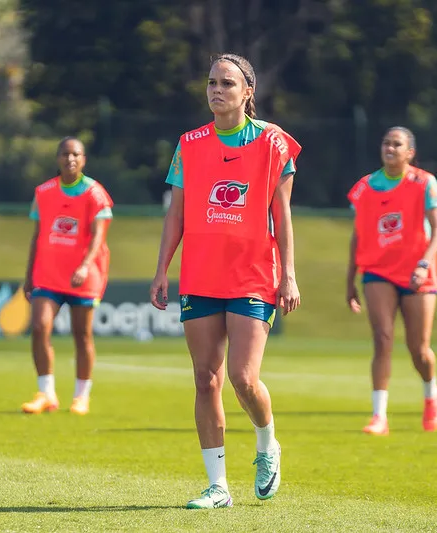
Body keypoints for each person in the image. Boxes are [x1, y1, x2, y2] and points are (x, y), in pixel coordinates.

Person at [150, 53, 301, 509]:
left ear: (248, 92)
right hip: (200, 273)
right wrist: (162, 268)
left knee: (242, 377)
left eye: (228, 84)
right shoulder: (189, 143)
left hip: (254, 274)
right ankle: (218, 486)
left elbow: (282, 215)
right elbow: (175, 213)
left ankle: (267, 443)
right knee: (205, 378)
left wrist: (289, 274)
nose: (217, 90)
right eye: (212, 82)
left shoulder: (273, 142)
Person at [345, 127, 437, 436]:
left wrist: (424, 264)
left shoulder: (425, 183)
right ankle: (379, 416)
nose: (390, 148)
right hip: (377, 271)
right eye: (386, 142)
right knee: (383, 339)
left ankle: (431, 393)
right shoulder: (364, 188)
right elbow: (358, 236)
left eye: (397, 144)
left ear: (410, 152)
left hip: (417, 273)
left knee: (419, 350)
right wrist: (350, 281)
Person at [20, 136, 114, 416]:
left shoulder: (95, 193)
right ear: (58, 158)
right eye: (65, 154)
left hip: (83, 276)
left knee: (82, 335)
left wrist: (85, 265)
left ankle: (81, 395)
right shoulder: (44, 192)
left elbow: (99, 236)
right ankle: (45, 393)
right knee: (39, 327)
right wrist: (28, 275)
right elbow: (37, 236)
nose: (70, 159)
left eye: (76, 154)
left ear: (83, 160)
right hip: (47, 275)